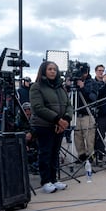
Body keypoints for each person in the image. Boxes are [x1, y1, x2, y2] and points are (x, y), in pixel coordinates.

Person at [30, 61, 73, 194]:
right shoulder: (36, 87)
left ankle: (54, 179)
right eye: (49, 69)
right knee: (46, 153)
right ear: (44, 71)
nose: (53, 71)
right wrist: (57, 120)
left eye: (54, 69)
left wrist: (65, 119)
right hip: (44, 125)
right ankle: (45, 181)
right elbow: (38, 107)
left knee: (55, 153)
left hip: (60, 125)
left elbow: (68, 105)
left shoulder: (61, 88)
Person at [72, 65, 98, 162]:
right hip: (76, 113)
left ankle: (90, 155)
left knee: (89, 137)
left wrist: (83, 88)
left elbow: (93, 98)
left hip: (87, 114)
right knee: (77, 136)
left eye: (82, 72)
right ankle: (81, 155)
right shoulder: (74, 82)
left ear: (86, 72)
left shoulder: (92, 83)